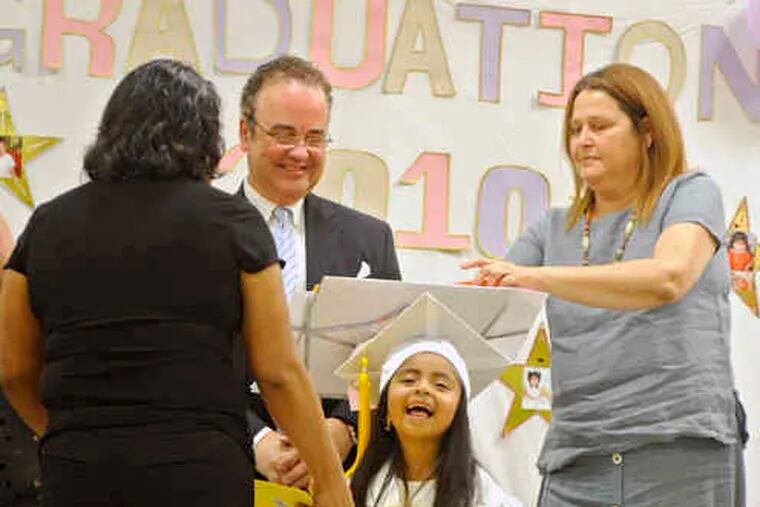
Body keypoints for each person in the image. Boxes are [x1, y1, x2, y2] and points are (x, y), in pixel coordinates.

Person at [0, 59, 352, 507]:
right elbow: (277, 372)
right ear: (206, 137)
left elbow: (13, 368)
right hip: (199, 472)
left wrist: (64, 433)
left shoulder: (48, 224)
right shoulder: (235, 225)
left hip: (79, 470)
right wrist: (330, 481)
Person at [462, 63, 745, 506]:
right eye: (575, 129)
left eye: (599, 126)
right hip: (577, 460)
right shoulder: (551, 229)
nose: (583, 140)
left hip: (678, 453)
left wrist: (537, 277)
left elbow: (668, 278)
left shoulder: (689, 194)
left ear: (647, 131)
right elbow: (482, 310)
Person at [236, 54, 401, 488]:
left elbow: (387, 354)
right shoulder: (202, 235)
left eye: (315, 138)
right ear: (245, 133)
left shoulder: (370, 239)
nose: (300, 152)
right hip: (225, 471)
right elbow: (187, 360)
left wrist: (342, 430)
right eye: (284, 135)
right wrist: (257, 440)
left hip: (338, 480)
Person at [338, 293, 521, 507]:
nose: (423, 389)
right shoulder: (361, 486)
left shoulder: (482, 496)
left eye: (441, 385)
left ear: (458, 411)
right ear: (385, 406)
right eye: (408, 380)